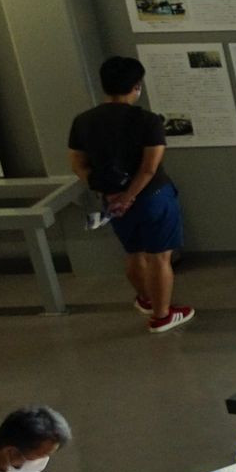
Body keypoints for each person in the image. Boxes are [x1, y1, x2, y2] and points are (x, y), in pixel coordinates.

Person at [68, 55, 192, 332]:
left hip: (112, 200)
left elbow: (78, 164)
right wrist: (130, 195)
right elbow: (149, 168)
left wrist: (111, 193)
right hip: (154, 196)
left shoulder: (84, 121)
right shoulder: (147, 121)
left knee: (134, 252)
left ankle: (146, 300)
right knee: (160, 257)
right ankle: (162, 316)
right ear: (137, 86)